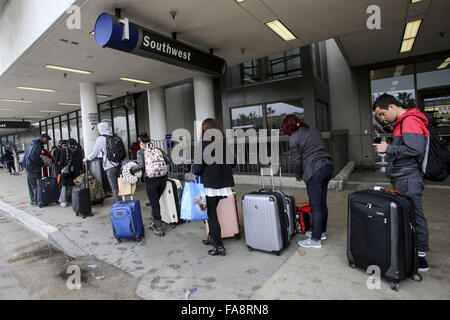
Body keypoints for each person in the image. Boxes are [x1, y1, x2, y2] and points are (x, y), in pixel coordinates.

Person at [372, 93, 430, 272]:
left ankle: (421, 257)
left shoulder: (409, 121)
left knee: (414, 215)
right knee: (408, 215)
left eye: (382, 113)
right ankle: (413, 251)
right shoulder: (402, 123)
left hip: (408, 178)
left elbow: (415, 148)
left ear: (392, 107)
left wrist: (388, 148)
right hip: (403, 176)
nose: (383, 118)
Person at [282, 114, 334, 249]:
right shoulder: (314, 131)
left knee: (315, 206)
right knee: (322, 203)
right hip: (327, 167)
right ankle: (321, 232)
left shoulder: (294, 138)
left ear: (289, 127)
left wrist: (298, 175)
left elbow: (296, 161)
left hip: (314, 171)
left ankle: (315, 240)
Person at [192, 118, 235, 256]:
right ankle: (212, 237)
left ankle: (219, 246)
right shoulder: (222, 143)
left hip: (210, 185)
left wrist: (194, 166)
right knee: (212, 213)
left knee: (211, 215)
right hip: (223, 184)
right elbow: (233, 163)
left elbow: (197, 169)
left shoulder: (203, 145)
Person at [130, 132, 172, 237]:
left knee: (155, 204)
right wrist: (158, 166)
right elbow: (168, 160)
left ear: (141, 143)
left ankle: (158, 228)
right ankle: (154, 222)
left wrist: (131, 170)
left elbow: (141, 165)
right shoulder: (158, 149)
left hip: (151, 180)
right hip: (162, 179)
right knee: (156, 201)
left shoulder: (141, 152)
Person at [83, 122, 123, 203]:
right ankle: (120, 201)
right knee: (120, 185)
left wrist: (87, 158)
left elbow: (95, 153)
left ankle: (119, 205)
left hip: (109, 166)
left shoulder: (101, 139)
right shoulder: (115, 136)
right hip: (118, 164)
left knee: (114, 187)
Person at [22, 134, 51, 206]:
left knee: (32, 185)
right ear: (43, 138)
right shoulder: (37, 145)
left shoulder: (33, 144)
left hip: (29, 167)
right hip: (33, 168)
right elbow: (34, 157)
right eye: (47, 140)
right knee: (37, 185)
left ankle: (33, 200)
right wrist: (42, 163)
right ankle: (38, 201)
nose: (47, 142)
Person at [58, 139, 83, 207]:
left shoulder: (66, 150)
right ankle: (76, 199)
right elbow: (81, 161)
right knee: (76, 185)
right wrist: (81, 170)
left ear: (68, 144)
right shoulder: (78, 150)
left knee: (64, 186)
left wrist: (59, 170)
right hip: (76, 171)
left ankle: (63, 201)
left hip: (67, 171)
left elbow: (62, 161)